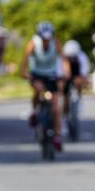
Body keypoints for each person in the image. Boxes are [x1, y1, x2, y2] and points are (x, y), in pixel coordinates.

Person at [20, 21, 64, 151]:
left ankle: (57, 137)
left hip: (51, 75)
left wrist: (65, 73)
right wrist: (24, 72)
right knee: (38, 90)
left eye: (48, 39)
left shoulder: (55, 43)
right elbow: (25, 59)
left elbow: (64, 59)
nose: (46, 41)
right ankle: (35, 111)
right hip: (37, 74)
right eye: (43, 39)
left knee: (56, 108)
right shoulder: (33, 44)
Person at [62, 39, 90, 125]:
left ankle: (79, 103)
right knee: (64, 94)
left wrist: (82, 80)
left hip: (77, 75)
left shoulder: (82, 57)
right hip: (66, 76)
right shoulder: (62, 58)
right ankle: (64, 113)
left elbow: (84, 72)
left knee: (79, 85)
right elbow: (60, 71)